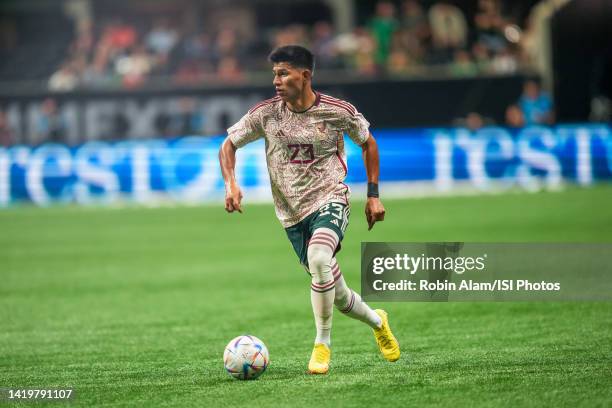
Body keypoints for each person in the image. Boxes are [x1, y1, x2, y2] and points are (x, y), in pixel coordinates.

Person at [218, 45, 400, 374]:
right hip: (291, 215)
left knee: (319, 259)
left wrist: (373, 195)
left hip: (330, 198)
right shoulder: (266, 114)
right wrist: (231, 184)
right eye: (274, 74)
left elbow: (368, 142)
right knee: (338, 293)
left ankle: (322, 345)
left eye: (283, 73)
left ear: (305, 76)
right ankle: (378, 321)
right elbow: (228, 144)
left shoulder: (337, 111)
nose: (276, 80)